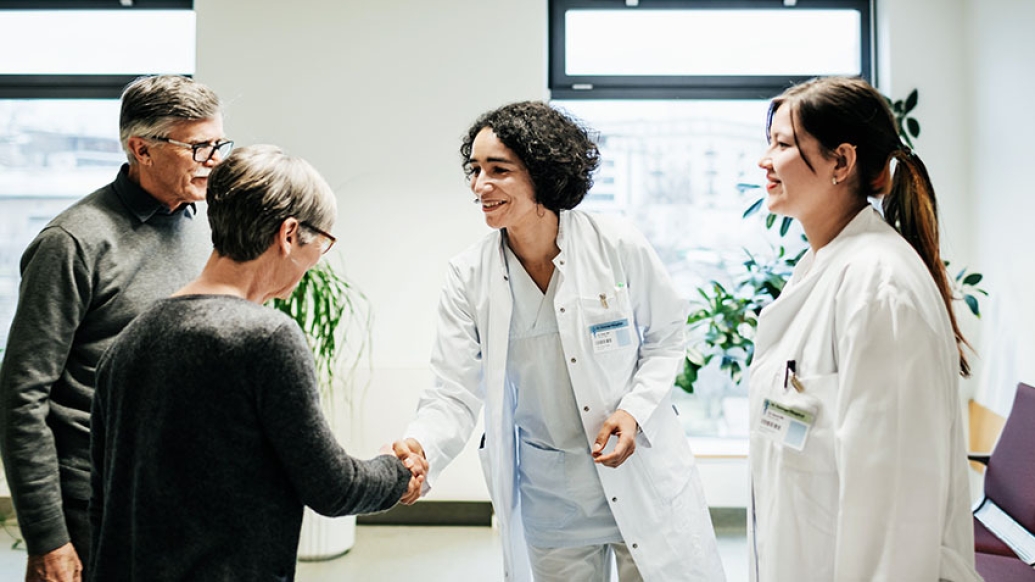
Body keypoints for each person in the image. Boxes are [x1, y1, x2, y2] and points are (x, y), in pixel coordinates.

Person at [393, 102, 726, 582]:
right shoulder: (469, 276)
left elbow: (667, 339)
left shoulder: (616, 244)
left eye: (498, 170)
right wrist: (422, 445)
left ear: (543, 173)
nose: (479, 186)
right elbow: (453, 389)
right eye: (475, 170)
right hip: (555, 497)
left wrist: (633, 410)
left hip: (641, 477)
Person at [88, 145, 419, 581]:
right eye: (323, 242)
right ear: (288, 234)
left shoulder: (133, 336)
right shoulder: (266, 338)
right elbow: (333, 487)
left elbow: (102, 496)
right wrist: (396, 472)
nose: (318, 260)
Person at [749, 76, 981, 581]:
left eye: (783, 144)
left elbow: (896, 506)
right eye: (769, 143)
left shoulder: (880, 287)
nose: (765, 161)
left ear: (841, 162)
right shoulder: (827, 265)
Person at [0, 74, 225, 582]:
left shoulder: (204, 224)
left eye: (217, 144)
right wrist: (47, 536)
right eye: (197, 147)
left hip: (177, 492)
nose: (213, 160)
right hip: (92, 500)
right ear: (141, 149)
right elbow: (22, 395)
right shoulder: (72, 242)